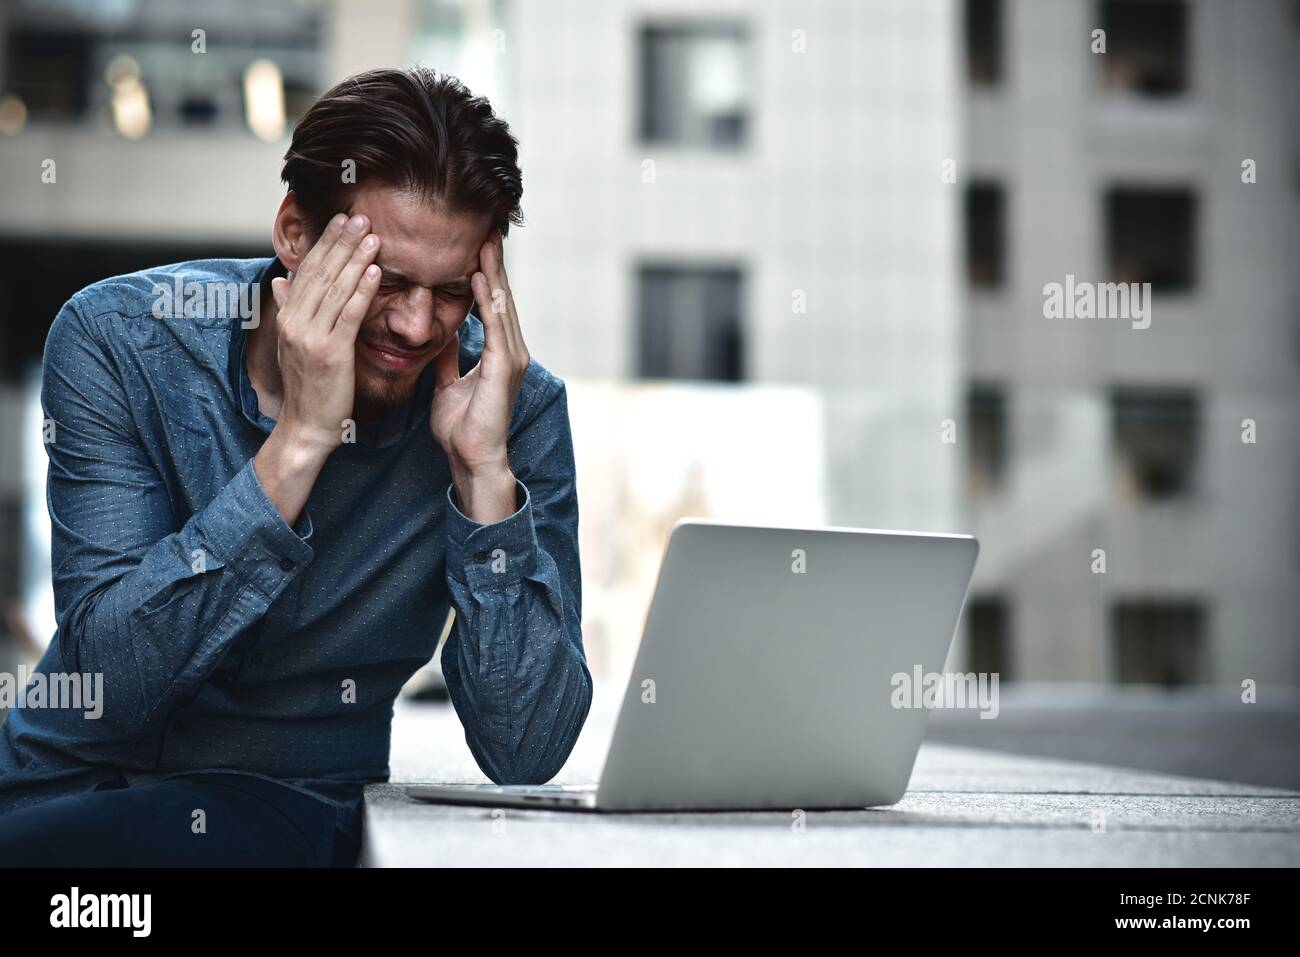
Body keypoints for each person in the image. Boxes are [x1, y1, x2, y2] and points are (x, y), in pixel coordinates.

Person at [0, 67, 593, 867]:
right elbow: (110, 682)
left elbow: (527, 747)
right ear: (294, 234)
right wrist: (300, 443)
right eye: (384, 279)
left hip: (277, 810)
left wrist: (485, 480)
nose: (417, 326)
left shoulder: (511, 410)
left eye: (452, 292)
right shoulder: (117, 341)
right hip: (52, 793)